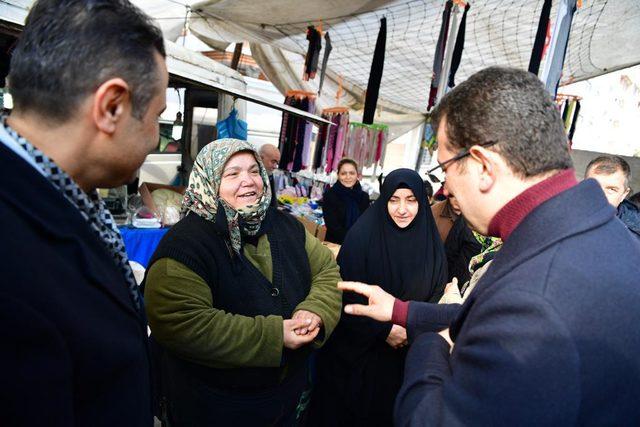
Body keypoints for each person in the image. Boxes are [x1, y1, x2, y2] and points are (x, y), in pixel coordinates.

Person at [338, 67, 640, 425]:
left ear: (483, 166)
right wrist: (404, 312)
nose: (446, 188)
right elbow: (489, 317)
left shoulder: (535, 299)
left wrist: (435, 342)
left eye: (445, 168)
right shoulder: (596, 234)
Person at [0, 1, 167, 425]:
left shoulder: (60, 199)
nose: (156, 138)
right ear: (111, 107)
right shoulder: (14, 257)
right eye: (157, 117)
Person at [144, 138, 342, 426]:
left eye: (253, 171)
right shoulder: (185, 246)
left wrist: (316, 310)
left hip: (284, 398)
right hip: (215, 405)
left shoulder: (285, 227)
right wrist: (276, 335)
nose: (248, 181)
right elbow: (182, 321)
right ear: (209, 181)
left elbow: (326, 271)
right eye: (232, 174)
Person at [310, 168, 447, 426]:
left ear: (422, 200)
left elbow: (437, 295)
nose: (402, 209)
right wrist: (385, 330)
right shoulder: (361, 238)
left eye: (411, 200)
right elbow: (345, 295)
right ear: (384, 200)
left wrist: (410, 327)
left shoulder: (431, 244)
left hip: (405, 363)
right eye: (394, 200)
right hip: (357, 360)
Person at [585, 155, 640, 239]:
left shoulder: (635, 233)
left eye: (611, 189)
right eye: (593, 186)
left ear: (624, 194)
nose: (601, 196)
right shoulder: (563, 217)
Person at [322, 158, 370, 244]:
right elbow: (332, 226)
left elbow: (366, 223)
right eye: (343, 173)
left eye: (352, 173)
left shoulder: (364, 197)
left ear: (357, 175)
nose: (348, 177)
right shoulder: (330, 195)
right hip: (335, 244)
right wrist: (351, 241)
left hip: (359, 244)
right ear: (338, 175)